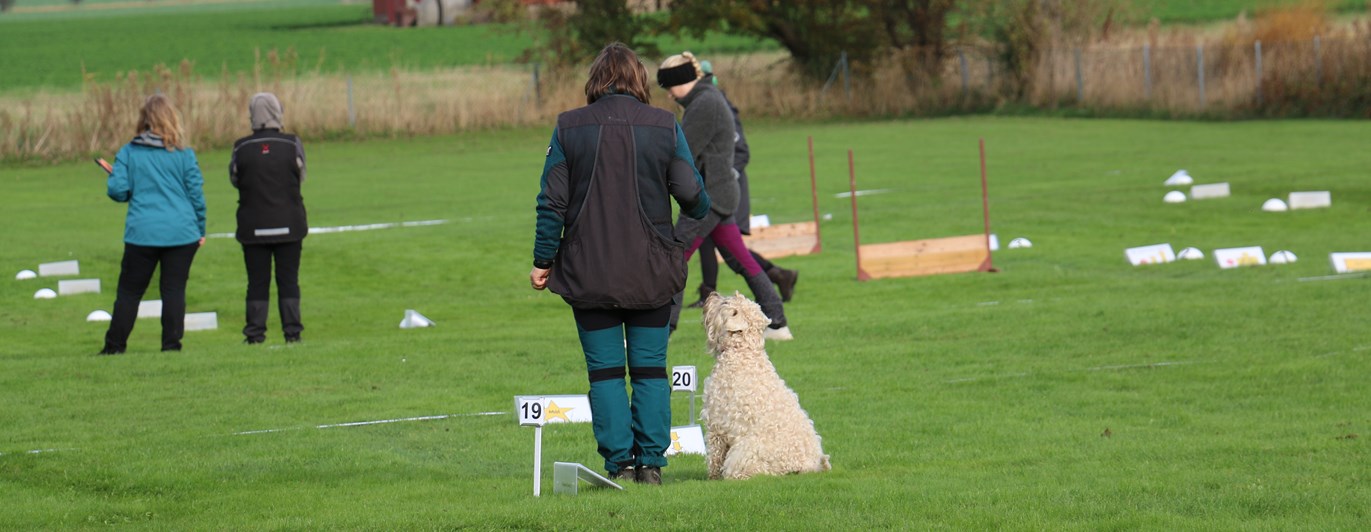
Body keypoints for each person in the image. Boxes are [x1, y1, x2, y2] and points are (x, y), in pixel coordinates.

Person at [529, 42, 711, 485]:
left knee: (605, 373)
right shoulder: (665, 124)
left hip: (588, 272)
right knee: (650, 370)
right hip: (652, 272)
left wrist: (542, 261)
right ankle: (650, 464)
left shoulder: (568, 127)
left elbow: (551, 203)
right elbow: (693, 196)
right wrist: (684, 228)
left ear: (595, 80)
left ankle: (620, 464)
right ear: (640, 80)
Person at [657, 51, 792, 340]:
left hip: (709, 198)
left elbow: (681, 152)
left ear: (683, 81)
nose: (668, 95)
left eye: (669, 87)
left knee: (675, 257)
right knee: (741, 260)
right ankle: (777, 323)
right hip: (720, 193)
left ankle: (661, 328)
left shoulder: (705, 104)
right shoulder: (705, 99)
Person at [98, 94, 206, 355]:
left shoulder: (128, 152)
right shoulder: (184, 154)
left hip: (142, 233)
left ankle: (114, 347)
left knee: (130, 292)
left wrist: (119, 178)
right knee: (174, 291)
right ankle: (171, 347)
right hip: (182, 232)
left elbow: (118, 191)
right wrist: (200, 229)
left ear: (144, 120)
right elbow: (196, 196)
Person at [687, 60, 799, 308]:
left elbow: (741, 152)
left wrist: (724, 177)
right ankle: (713, 293)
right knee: (715, 243)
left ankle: (776, 279)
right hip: (711, 190)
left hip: (728, 189)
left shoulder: (721, 107)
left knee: (729, 250)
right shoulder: (702, 106)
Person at [229, 93, 309, 344]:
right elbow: (301, 175)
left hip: (253, 226)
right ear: (278, 111)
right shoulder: (292, 143)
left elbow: (234, 179)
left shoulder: (241, 147)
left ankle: (254, 334)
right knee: (288, 280)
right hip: (290, 224)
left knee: (256, 282)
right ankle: (292, 333)